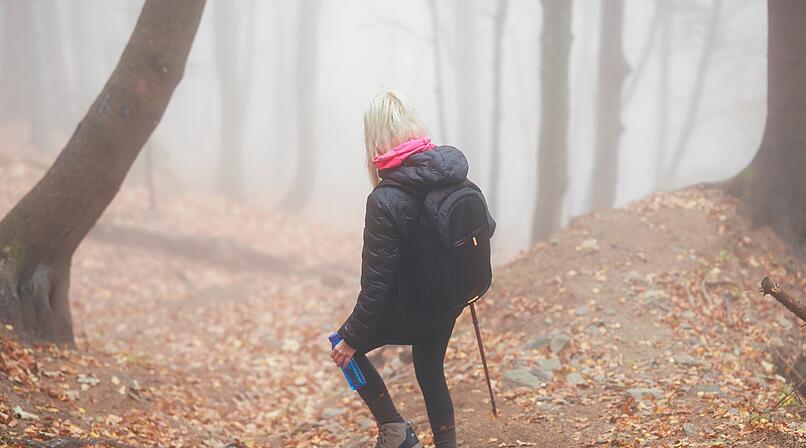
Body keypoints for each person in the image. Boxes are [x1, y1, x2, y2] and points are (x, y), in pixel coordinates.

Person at [331, 90, 470, 448]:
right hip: (448, 302)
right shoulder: (453, 176)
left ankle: (394, 430)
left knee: (344, 350)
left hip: (414, 308)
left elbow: (376, 286)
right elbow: (485, 229)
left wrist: (350, 338)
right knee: (431, 373)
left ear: (375, 138)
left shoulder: (385, 198)